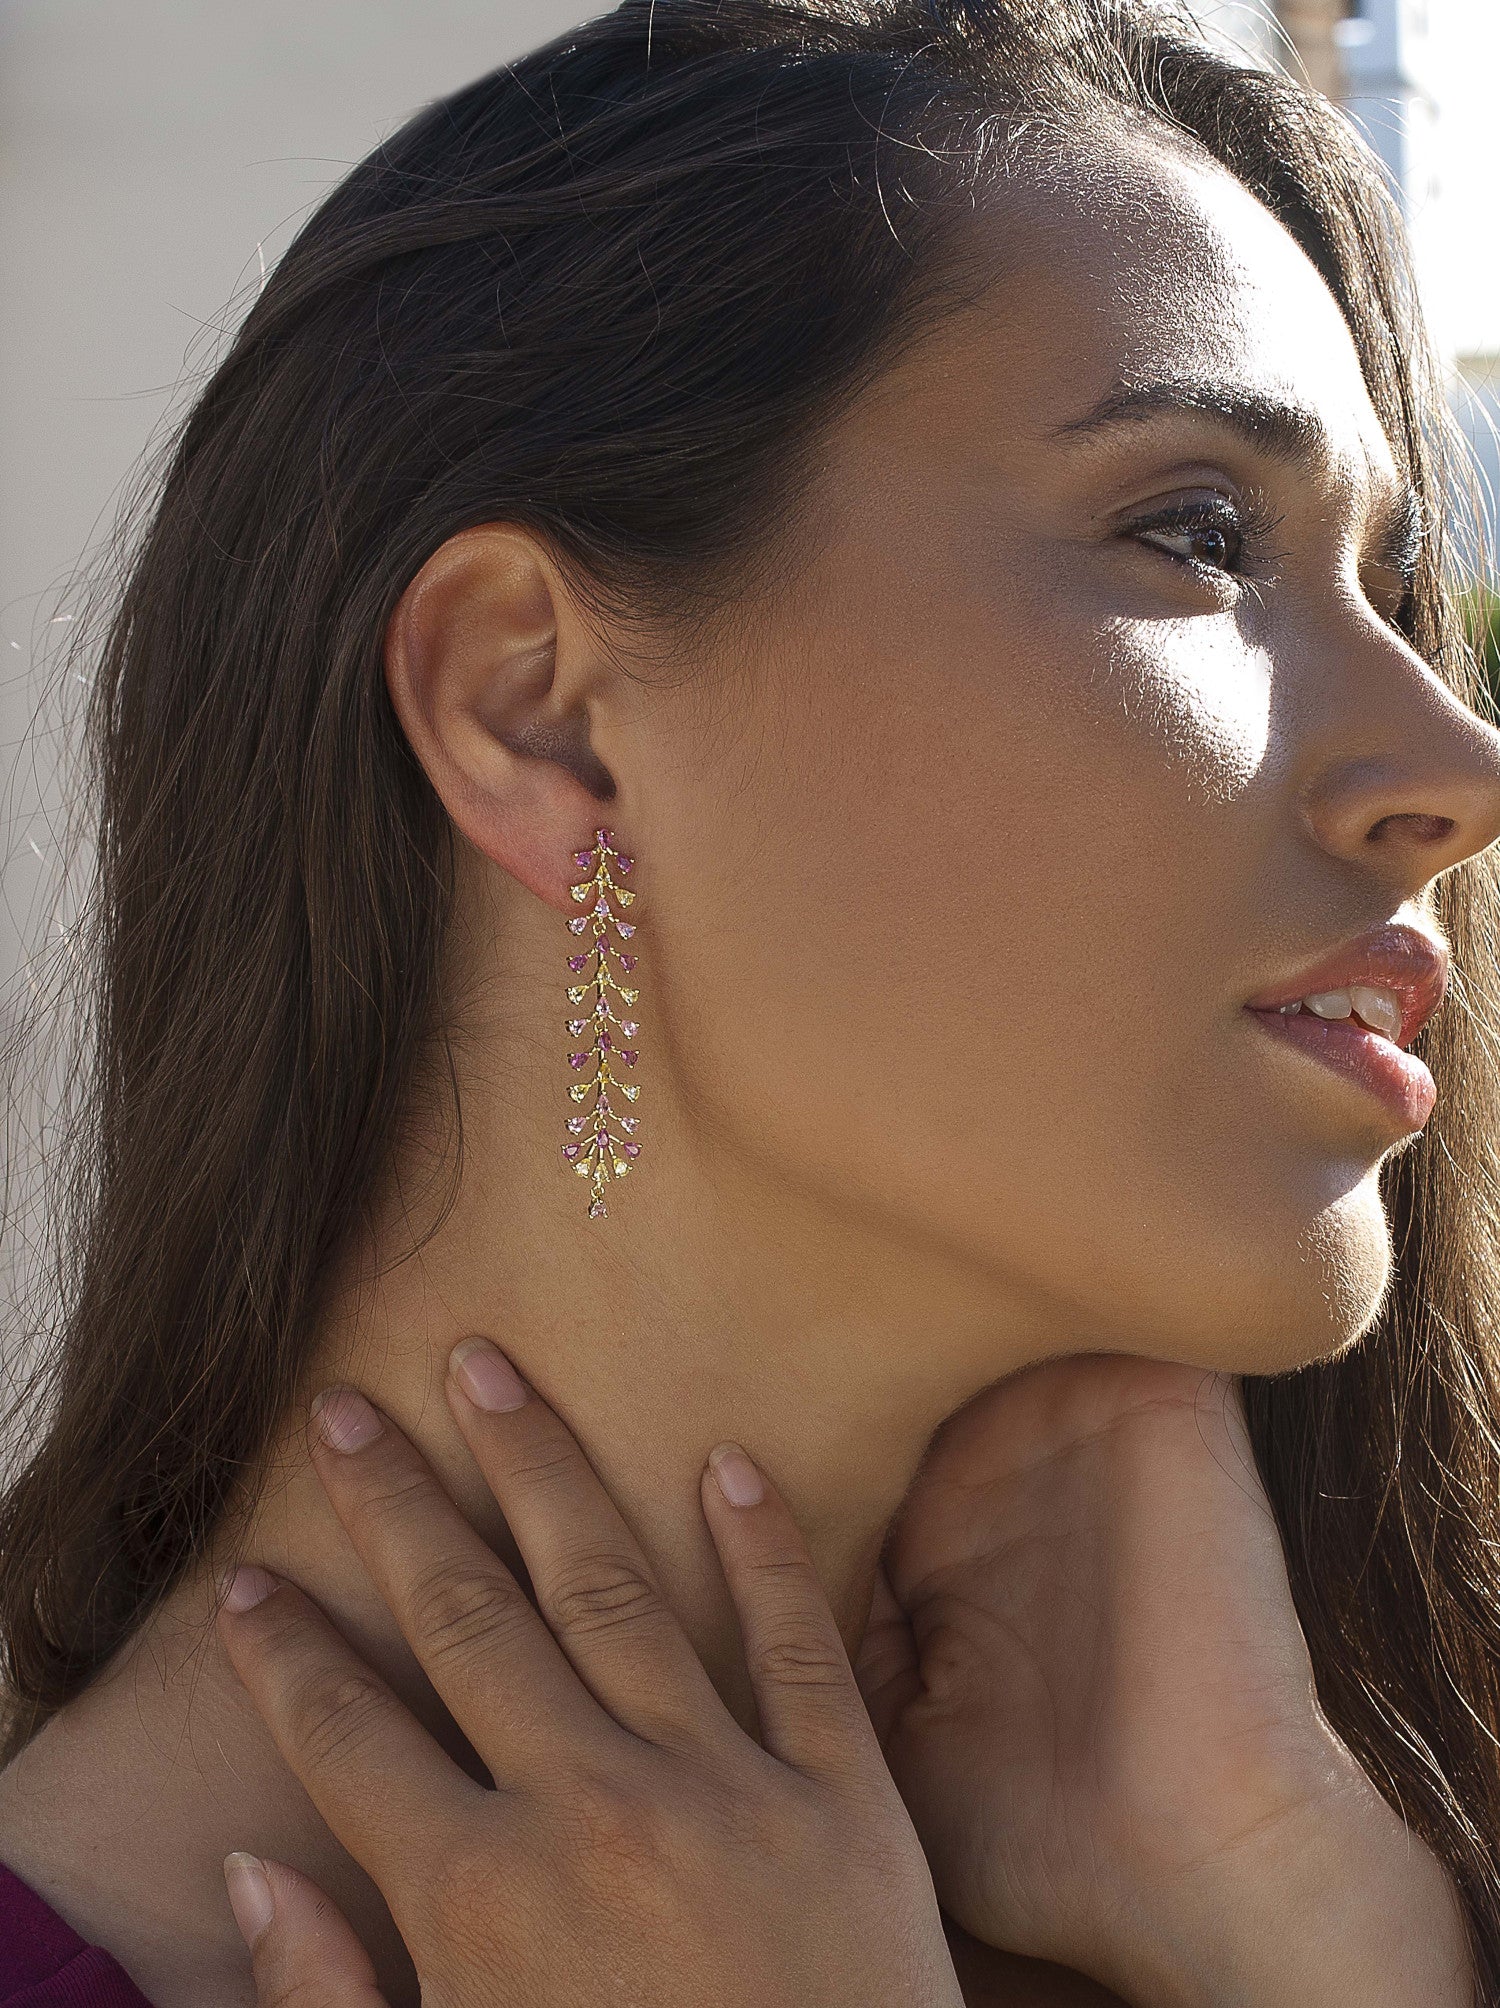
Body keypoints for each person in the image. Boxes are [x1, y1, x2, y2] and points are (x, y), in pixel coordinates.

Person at [0, 0, 1497, 2000]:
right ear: (539, 708)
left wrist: (1312, 1912)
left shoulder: (1307, 1870)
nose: (1459, 769)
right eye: (1198, 532)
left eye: (1387, 590)